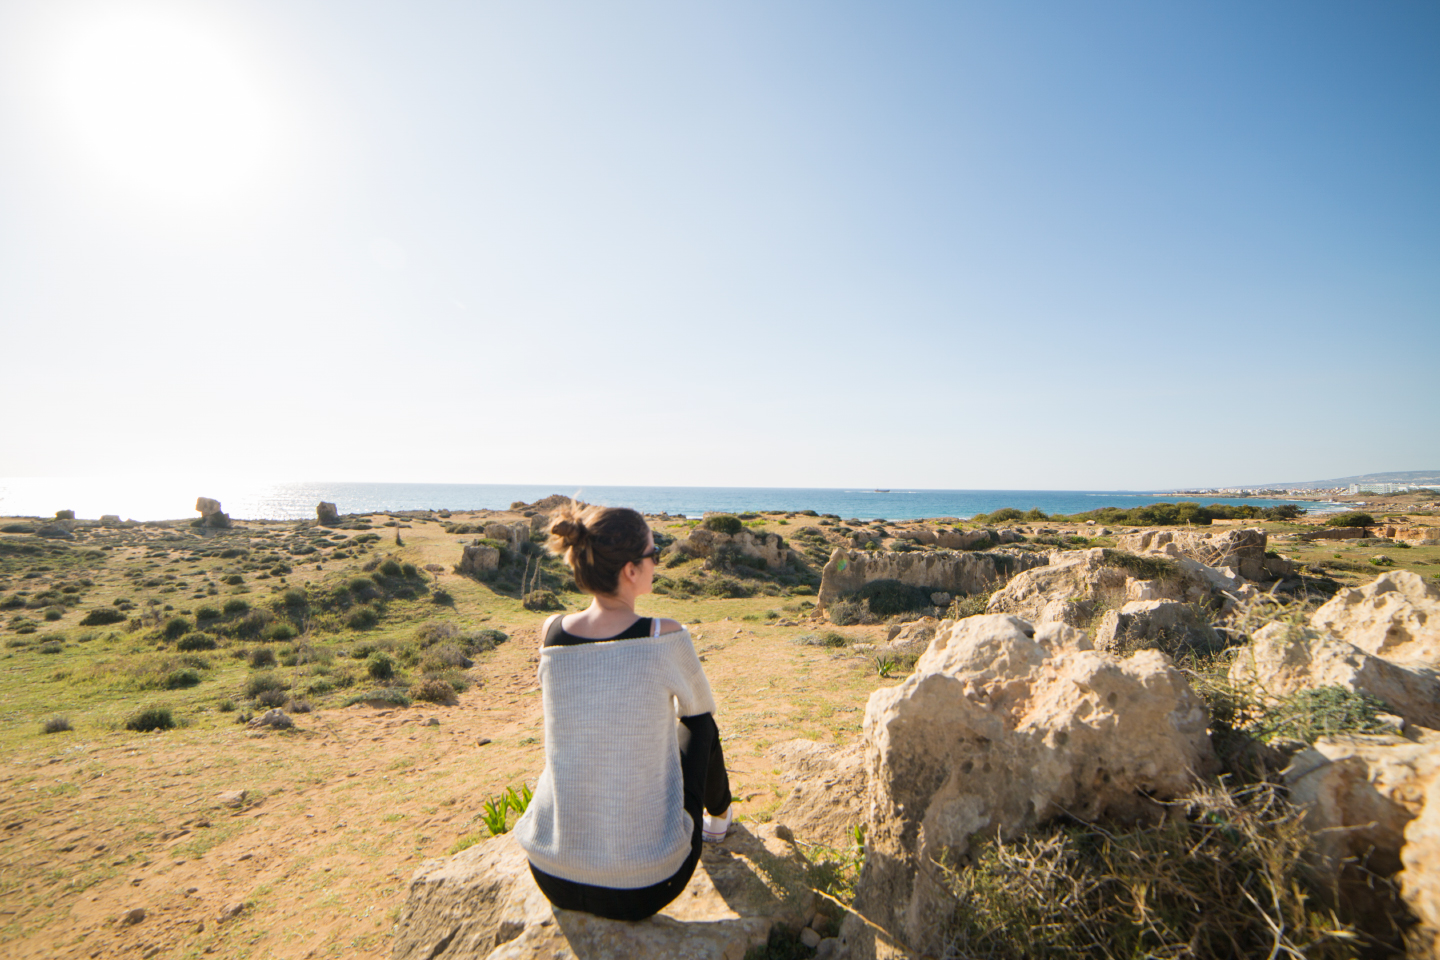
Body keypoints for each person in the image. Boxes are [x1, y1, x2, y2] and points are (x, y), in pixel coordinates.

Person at [512, 503, 734, 922]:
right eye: (655, 553)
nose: (657, 562)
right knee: (700, 723)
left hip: (550, 873)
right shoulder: (663, 636)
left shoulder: (551, 632)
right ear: (631, 570)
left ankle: (720, 815)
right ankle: (720, 816)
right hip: (645, 885)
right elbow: (699, 713)